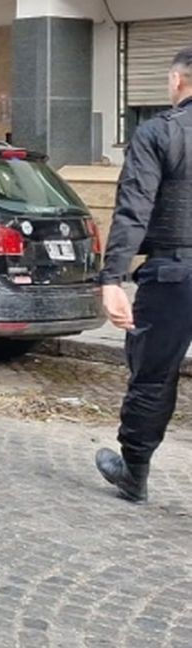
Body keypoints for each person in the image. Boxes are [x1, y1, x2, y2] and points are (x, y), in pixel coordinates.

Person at [95, 46, 192, 502]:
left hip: (174, 273)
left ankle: (134, 473)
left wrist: (112, 277)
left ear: (177, 81)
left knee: (154, 374)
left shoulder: (158, 133)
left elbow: (134, 209)